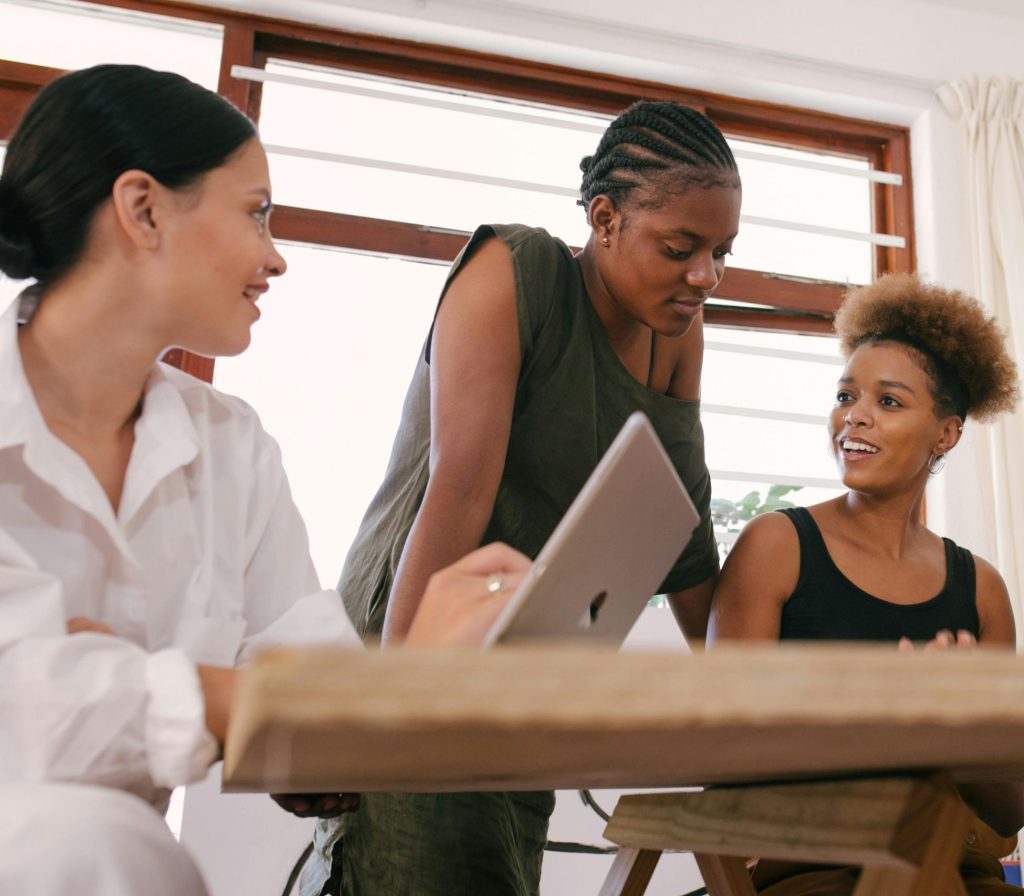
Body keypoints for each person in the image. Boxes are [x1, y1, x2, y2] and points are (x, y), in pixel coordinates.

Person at [0, 64, 531, 896]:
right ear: (142, 210)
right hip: (91, 862)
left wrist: (411, 680)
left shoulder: (230, 447)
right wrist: (239, 699)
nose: (275, 257)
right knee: (88, 836)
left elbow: (313, 713)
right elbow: (32, 713)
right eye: (255, 214)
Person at [309, 101, 742, 896]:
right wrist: (390, 710)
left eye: (722, 252)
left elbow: (683, 528)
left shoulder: (679, 331)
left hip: (527, 667)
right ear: (604, 220)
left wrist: (751, 690)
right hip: (417, 638)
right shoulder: (514, 271)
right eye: (681, 249)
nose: (705, 276)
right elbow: (458, 493)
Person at [708, 273, 1023, 895]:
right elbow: (721, 749)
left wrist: (962, 730)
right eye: (846, 394)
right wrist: (885, 718)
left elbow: (1008, 811)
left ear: (946, 433)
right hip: (814, 873)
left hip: (959, 876)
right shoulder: (777, 547)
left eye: (889, 402)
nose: (855, 416)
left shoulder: (981, 588)